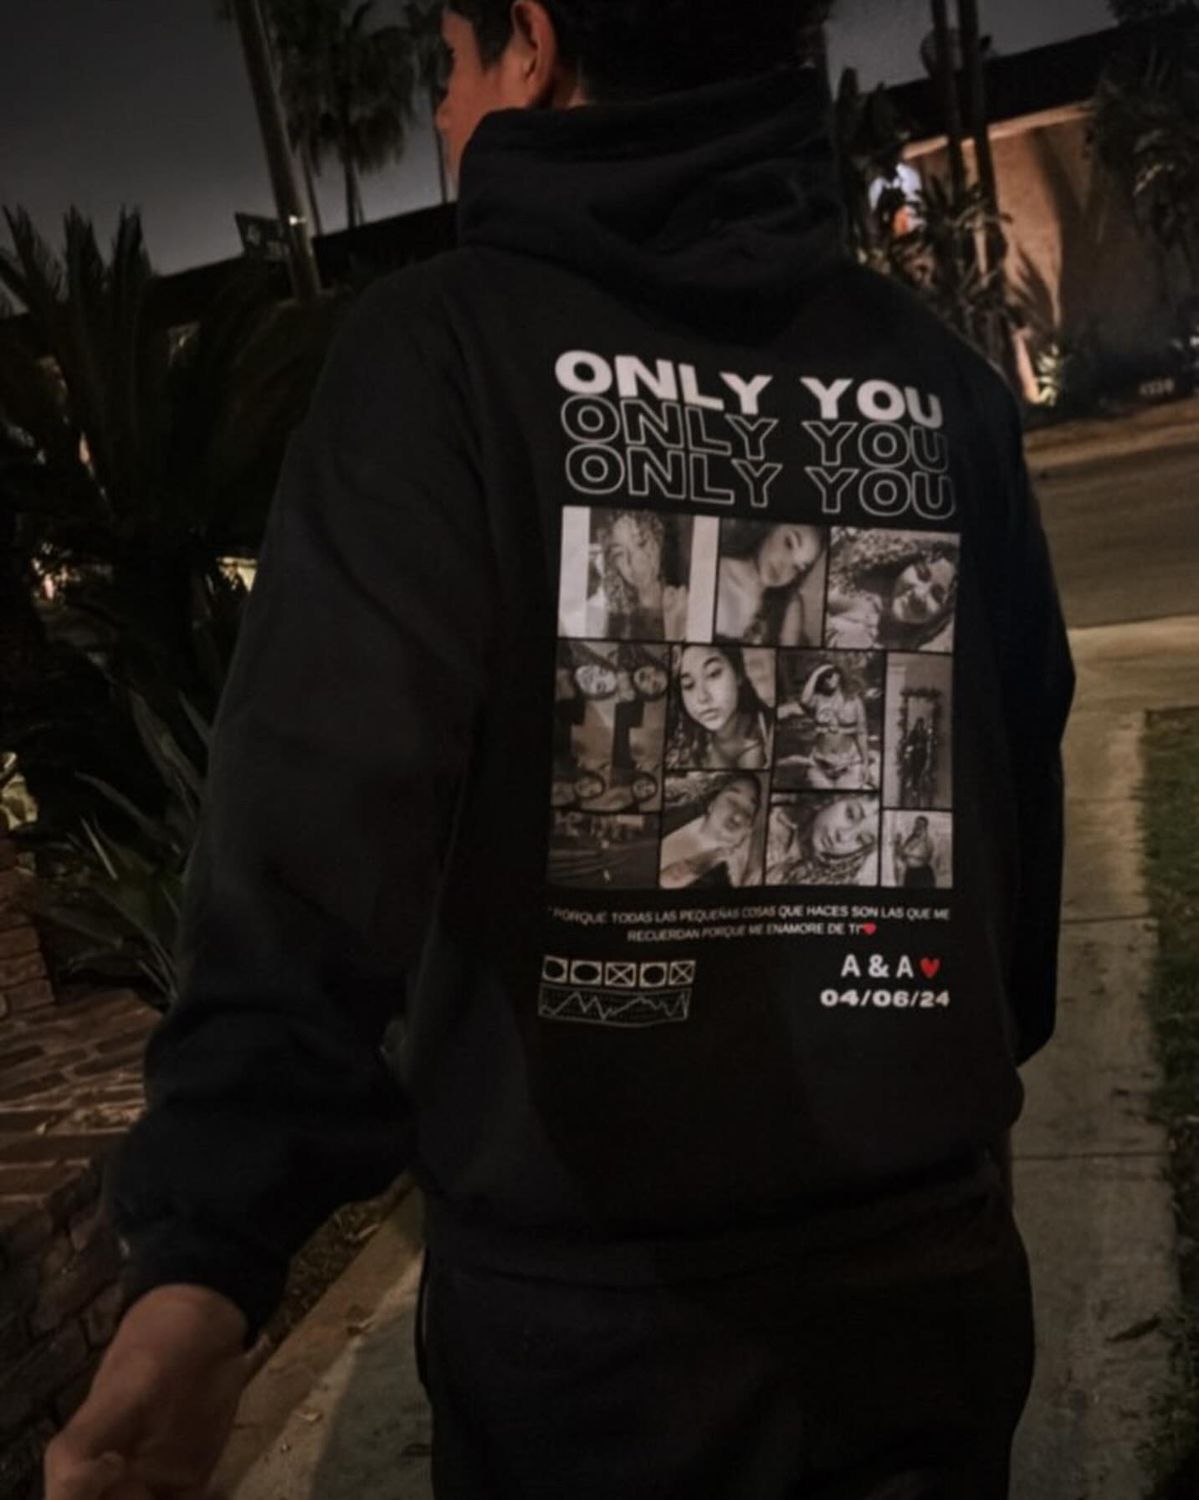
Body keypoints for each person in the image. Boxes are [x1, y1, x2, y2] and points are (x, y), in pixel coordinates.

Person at [48, 4, 1075, 1498]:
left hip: (595, 1352)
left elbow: (312, 834)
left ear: (529, 43)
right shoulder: (941, 383)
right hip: (930, 1295)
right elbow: (1015, 829)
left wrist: (206, 1252)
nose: (440, 115)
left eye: (447, 67)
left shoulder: (437, 356)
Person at [826, 531, 960, 652]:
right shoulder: (856, 587)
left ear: (941, 615)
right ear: (907, 564)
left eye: (937, 595)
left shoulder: (900, 651)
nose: (920, 594)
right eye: (921, 573)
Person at [716, 521, 826, 645]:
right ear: (770, 528)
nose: (786, 567)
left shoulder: (789, 605)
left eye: (797, 567)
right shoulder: (715, 571)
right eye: (789, 544)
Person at [586, 509, 689, 640]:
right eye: (620, 553)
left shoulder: (687, 602)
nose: (632, 561)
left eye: (641, 543)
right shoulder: (603, 614)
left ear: (658, 541)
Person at [667, 644, 772, 771]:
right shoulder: (682, 745)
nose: (702, 697)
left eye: (713, 674)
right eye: (688, 685)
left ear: (738, 673)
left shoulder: (772, 730)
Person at [659, 774, 763, 889]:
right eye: (732, 802)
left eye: (747, 812)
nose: (738, 815)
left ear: (749, 828)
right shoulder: (674, 814)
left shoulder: (727, 878)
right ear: (711, 804)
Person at [766, 796, 880, 887]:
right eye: (850, 815)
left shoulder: (832, 882)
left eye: (862, 839)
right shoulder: (772, 816)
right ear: (835, 797)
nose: (844, 837)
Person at [796, 662, 873, 789]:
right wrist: (817, 672)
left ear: (839, 675)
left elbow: (861, 733)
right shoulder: (818, 699)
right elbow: (803, 701)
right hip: (820, 764)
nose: (828, 680)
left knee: (847, 796)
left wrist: (865, 763)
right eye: (824, 677)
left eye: (831, 675)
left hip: (849, 764)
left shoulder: (854, 701)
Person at [894, 814, 938, 890]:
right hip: (910, 873)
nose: (917, 826)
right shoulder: (910, 839)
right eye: (916, 823)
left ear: (925, 827)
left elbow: (926, 856)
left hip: (923, 875)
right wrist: (898, 843)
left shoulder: (928, 840)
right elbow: (902, 856)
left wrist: (909, 853)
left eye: (920, 824)